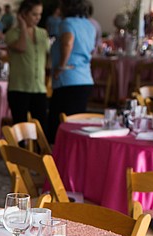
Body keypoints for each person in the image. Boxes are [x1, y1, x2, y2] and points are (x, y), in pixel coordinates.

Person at [46, 0, 95, 142]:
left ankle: (56, 157)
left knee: (58, 122)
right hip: (85, 78)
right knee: (76, 123)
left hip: (68, 78)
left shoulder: (67, 23)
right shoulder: (89, 24)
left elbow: (68, 43)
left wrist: (61, 66)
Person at [5, 0, 49, 127]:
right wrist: (23, 27)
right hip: (19, 88)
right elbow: (21, 47)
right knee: (20, 127)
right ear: (23, 14)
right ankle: (19, 148)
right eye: (34, 14)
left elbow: (46, 56)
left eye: (39, 14)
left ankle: (37, 148)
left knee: (41, 129)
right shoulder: (12, 34)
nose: (38, 18)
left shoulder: (42, 33)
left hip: (39, 87)